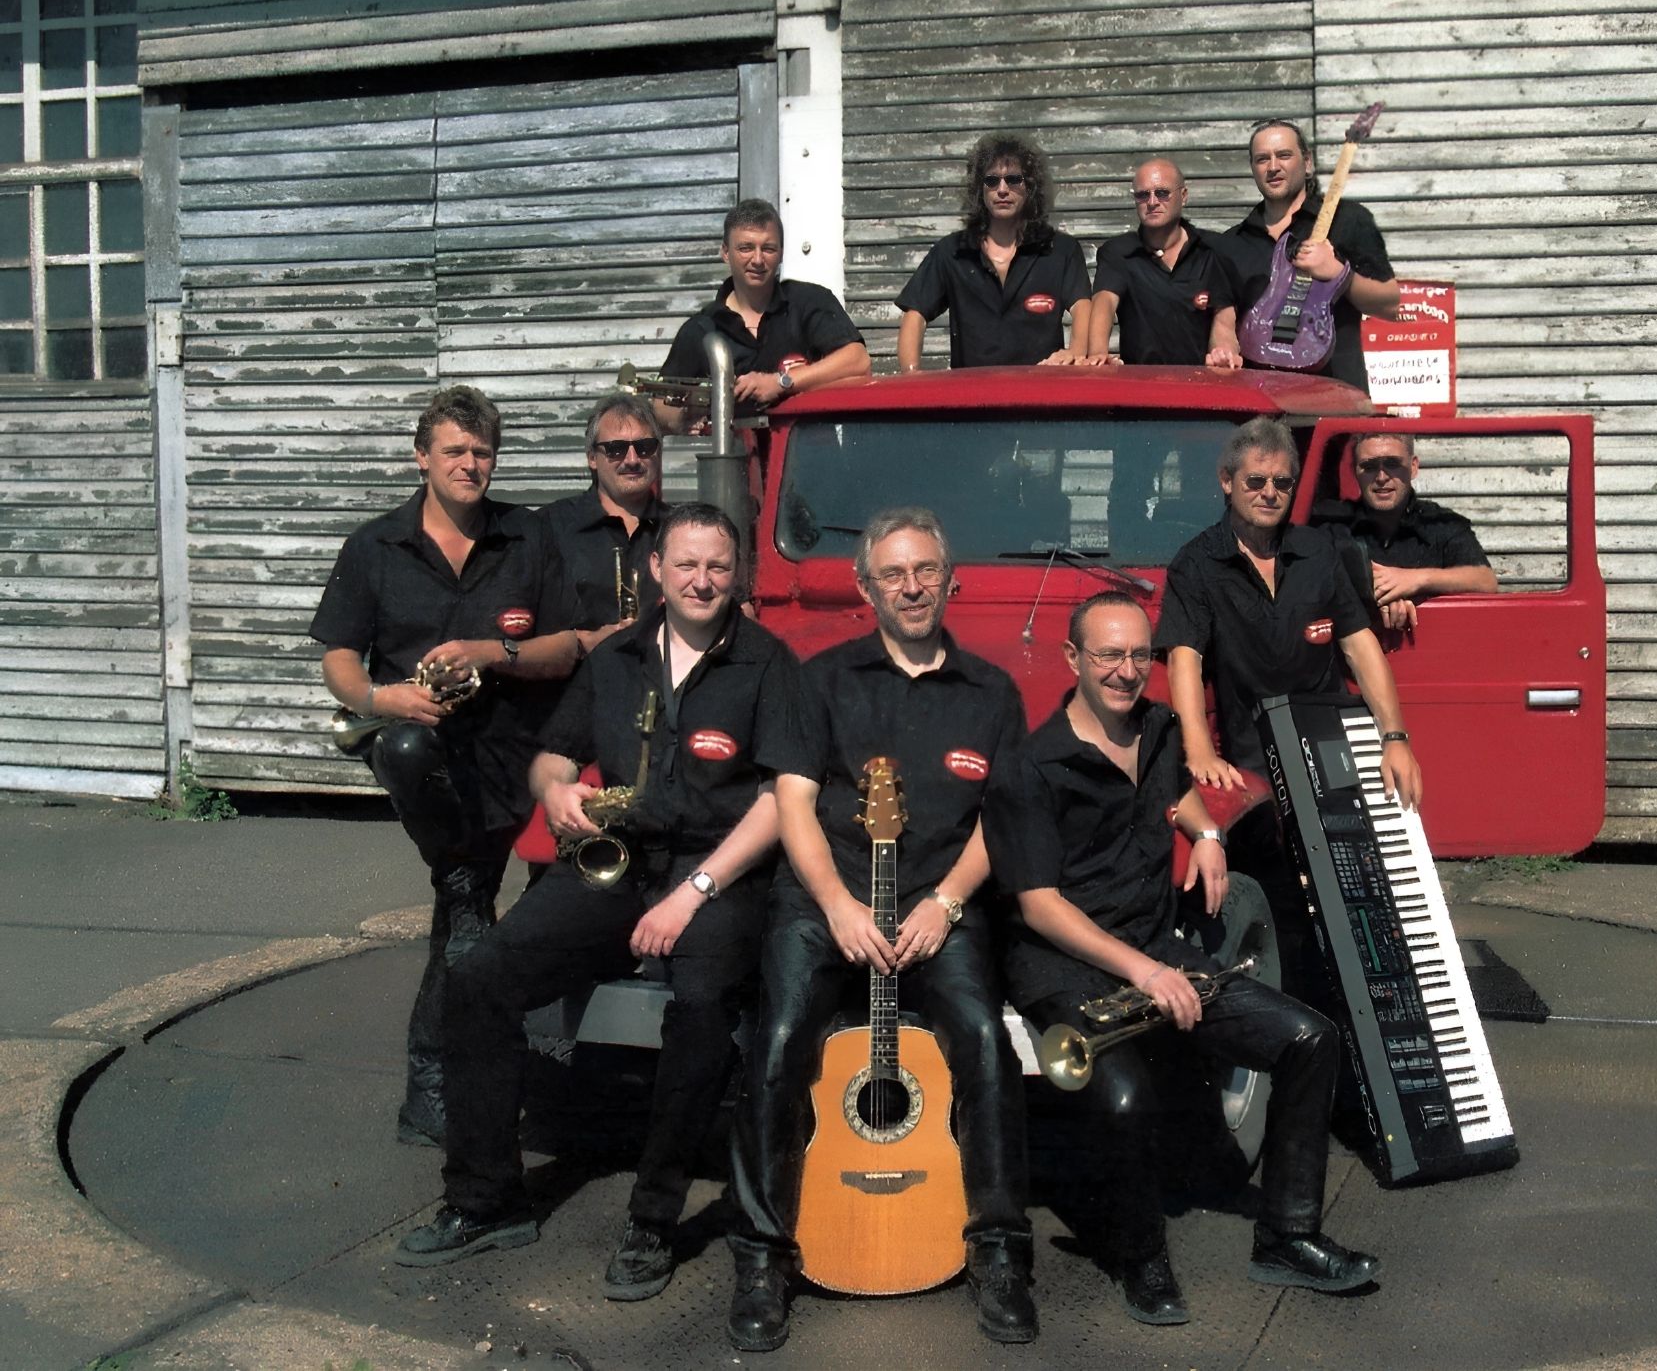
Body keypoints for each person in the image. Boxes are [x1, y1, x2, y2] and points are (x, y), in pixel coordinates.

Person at [394, 504, 803, 1303]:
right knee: (480, 977)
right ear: (657, 567)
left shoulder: (769, 662)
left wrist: (694, 892)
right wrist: (555, 793)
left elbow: (778, 800)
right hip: (617, 861)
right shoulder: (614, 655)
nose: (701, 580)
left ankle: (653, 1217)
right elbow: (554, 753)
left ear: (737, 571)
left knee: (701, 1007)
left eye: (717, 566)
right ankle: (486, 1198)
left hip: (715, 871)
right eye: (686, 564)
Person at [985, 591, 1376, 1325]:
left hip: (1153, 946)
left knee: (1309, 1039)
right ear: (1073, 659)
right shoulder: (1030, 766)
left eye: (1139, 654)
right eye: (1109, 654)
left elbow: (1178, 799)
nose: (1128, 670)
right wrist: (1143, 971)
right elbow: (1038, 906)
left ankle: (1288, 1235)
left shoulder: (1161, 729)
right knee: (1127, 1097)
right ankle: (1140, 1257)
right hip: (1063, 961)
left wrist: (1206, 834)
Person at [726, 506, 1034, 1352]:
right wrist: (836, 905)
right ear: (865, 587)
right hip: (831, 902)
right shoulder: (817, 679)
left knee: (981, 1038)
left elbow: (997, 820)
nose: (911, 586)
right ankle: (762, 1254)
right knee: (781, 1038)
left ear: (950, 579)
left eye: (925, 569)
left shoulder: (991, 693)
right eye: (892, 573)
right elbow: (793, 803)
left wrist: (948, 903)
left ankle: (999, 1248)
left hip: (938, 906)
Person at [311, 385, 578, 1146]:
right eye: (455, 450)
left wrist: (491, 654)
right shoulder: (374, 545)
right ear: (420, 455)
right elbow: (337, 655)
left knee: (469, 923)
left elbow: (568, 647)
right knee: (465, 910)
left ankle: (438, 1093)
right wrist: (381, 695)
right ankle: (443, 1089)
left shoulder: (527, 537)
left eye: (482, 451)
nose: (470, 463)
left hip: (514, 756)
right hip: (424, 762)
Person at [1153, 417, 1421, 1004]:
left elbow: (1360, 645)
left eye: (1281, 481)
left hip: (1334, 754)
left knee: (1362, 903)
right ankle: (1302, 1025)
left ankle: (1375, 1022)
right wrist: (1199, 752)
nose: (1269, 492)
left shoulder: (1319, 552)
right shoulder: (1196, 565)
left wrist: (1394, 736)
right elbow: (1185, 661)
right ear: (1226, 482)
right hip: (1253, 769)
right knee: (1284, 914)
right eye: (1255, 481)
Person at [1213, 118, 1399, 388]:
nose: (1273, 167)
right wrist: (1224, 352)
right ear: (1253, 168)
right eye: (1262, 159)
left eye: (1284, 155)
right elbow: (1224, 322)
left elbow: (1390, 305)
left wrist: (1339, 274)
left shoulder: (1349, 220)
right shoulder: (1231, 243)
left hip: (1337, 401)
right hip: (1262, 407)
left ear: (1307, 162)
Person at [657, 199, 869, 427]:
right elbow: (660, 404)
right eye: (746, 248)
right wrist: (688, 418)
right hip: (735, 460)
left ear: (781, 253)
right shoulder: (701, 328)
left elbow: (858, 361)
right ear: (725, 253)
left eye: (768, 248)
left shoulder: (809, 302)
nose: (757, 260)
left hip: (812, 457)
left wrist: (781, 382)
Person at [896, 132, 1091, 370]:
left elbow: (1083, 308)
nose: (1002, 189)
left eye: (1013, 179)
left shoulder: (1060, 250)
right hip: (971, 399)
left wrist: (1076, 353)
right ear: (980, 188)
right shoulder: (952, 251)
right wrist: (912, 377)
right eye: (991, 180)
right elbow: (914, 315)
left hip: (1042, 395)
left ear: (1030, 186)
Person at [1313, 432, 1498, 633]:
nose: (1382, 477)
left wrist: (1415, 580)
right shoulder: (1331, 525)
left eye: (1392, 464)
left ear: (1413, 466)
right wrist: (1377, 596)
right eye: (1369, 466)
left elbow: (1485, 580)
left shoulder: (1441, 523)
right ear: (1354, 471)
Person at [541, 391, 670, 660]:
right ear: (591, 458)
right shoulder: (548, 528)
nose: (632, 460)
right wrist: (583, 642)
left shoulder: (684, 530)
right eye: (616, 449)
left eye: (645, 447)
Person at [1081, 157, 1241, 367]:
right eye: (1142, 195)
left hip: (1199, 386)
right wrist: (1097, 355)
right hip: (1140, 387)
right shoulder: (1118, 253)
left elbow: (1224, 318)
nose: (1152, 202)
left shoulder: (1213, 250)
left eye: (1162, 193)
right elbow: (1105, 302)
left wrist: (1222, 354)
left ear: (1183, 196)